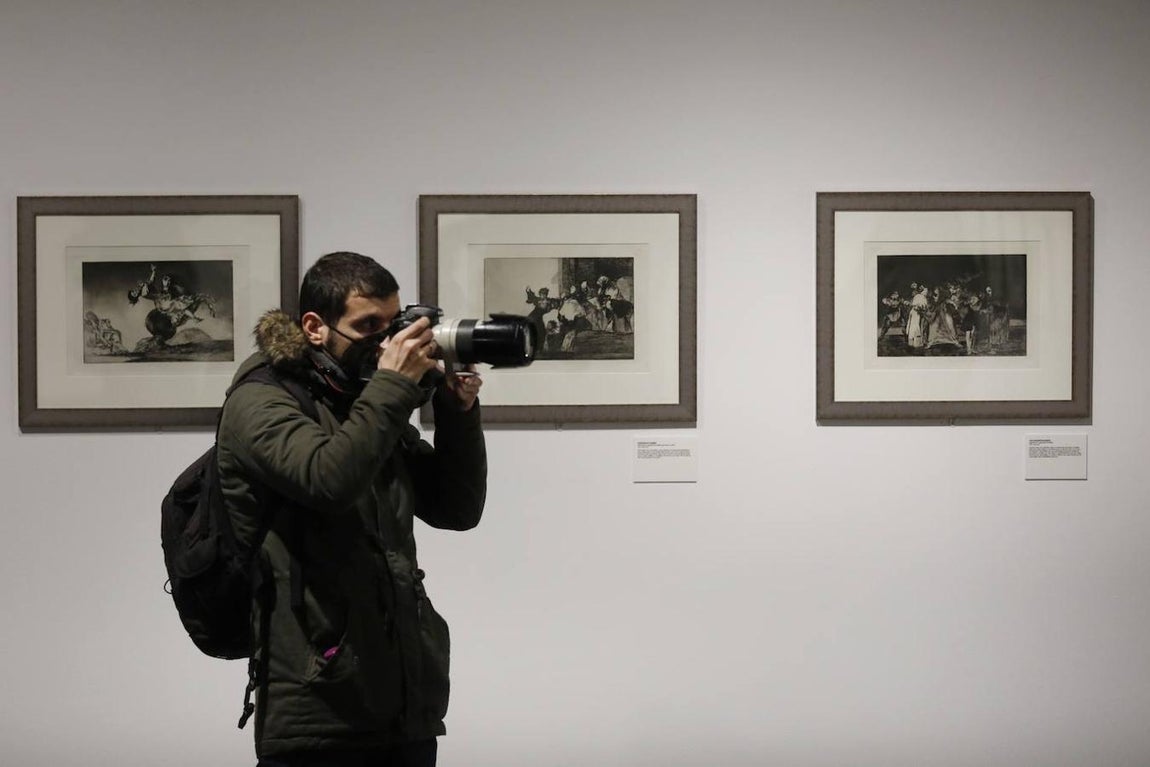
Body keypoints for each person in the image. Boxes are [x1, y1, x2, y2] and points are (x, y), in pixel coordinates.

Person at [217, 251, 487, 767]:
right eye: (368, 326)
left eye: (394, 323)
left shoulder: (361, 401)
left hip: (402, 695)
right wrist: (393, 387)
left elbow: (456, 507)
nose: (386, 341)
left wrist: (456, 412)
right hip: (317, 703)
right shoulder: (261, 401)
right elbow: (329, 480)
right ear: (315, 328)